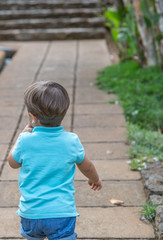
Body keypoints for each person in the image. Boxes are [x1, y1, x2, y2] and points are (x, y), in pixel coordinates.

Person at [7, 81, 102, 240]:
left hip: (31, 212)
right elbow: (88, 166)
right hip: (61, 213)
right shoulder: (71, 141)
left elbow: (12, 162)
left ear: (32, 117)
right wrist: (95, 179)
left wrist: (21, 135)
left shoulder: (25, 140)